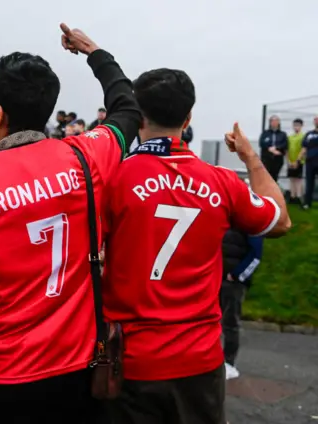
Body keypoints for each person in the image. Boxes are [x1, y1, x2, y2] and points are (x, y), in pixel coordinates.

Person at [0, 23, 141, 424]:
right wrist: (94, 52)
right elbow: (128, 110)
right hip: (78, 371)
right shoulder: (87, 156)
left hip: (1, 377)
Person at [102, 68, 291, 424]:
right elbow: (280, 221)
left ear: (139, 115)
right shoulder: (221, 182)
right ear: (188, 117)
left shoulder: (113, 177)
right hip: (199, 361)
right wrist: (250, 158)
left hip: (132, 361)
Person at [221, 224, 263, 380]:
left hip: (233, 282)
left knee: (230, 322)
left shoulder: (251, 222)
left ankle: (229, 363)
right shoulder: (224, 216)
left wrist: (238, 276)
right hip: (216, 277)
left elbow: (256, 255)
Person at [259, 115, 288, 182]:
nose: (274, 122)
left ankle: (273, 191)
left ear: (278, 122)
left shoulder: (282, 134)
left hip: (278, 159)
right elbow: (261, 143)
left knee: (274, 177)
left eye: (276, 121)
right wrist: (270, 149)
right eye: (272, 121)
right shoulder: (265, 133)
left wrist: (276, 148)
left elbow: (285, 144)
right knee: (266, 177)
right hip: (266, 159)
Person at [299, 116, 318, 209]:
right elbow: (304, 148)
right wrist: (298, 159)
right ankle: (307, 203)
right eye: (315, 119)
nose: (316, 121)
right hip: (310, 162)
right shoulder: (309, 134)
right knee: (309, 183)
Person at [286, 118, 305, 204]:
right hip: (290, 161)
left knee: (298, 179)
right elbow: (287, 150)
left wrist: (297, 161)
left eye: (298, 125)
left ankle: (299, 197)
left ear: (301, 126)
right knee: (292, 179)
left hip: (299, 162)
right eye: (295, 125)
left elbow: (303, 149)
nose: (296, 127)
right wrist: (289, 161)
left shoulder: (303, 136)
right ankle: (292, 196)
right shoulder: (290, 137)